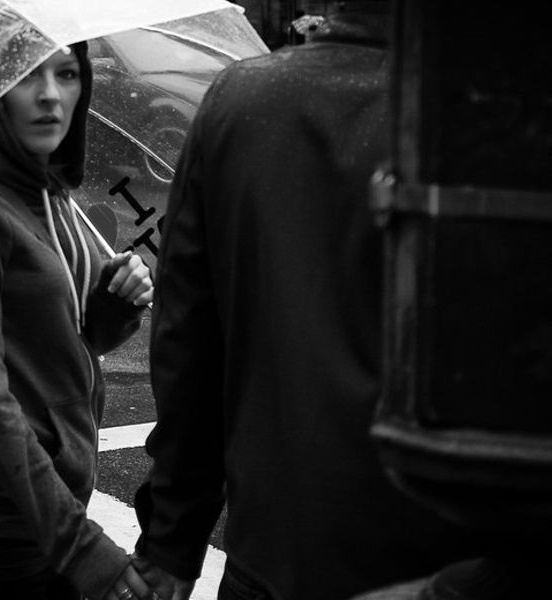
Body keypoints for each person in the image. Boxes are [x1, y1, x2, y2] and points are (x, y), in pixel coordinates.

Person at [131, 2, 477, 600]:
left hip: (278, 559)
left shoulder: (242, 103)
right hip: (454, 563)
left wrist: (171, 539)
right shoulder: (501, 120)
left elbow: (189, 349)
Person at [0, 43, 155, 600]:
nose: (50, 95)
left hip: (47, 533)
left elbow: (71, 343)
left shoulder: (53, 197)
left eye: (67, 74)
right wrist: (83, 551)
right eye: (26, 76)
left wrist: (117, 303)